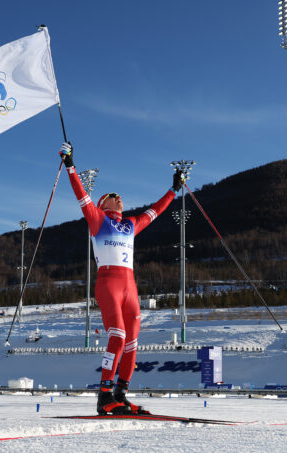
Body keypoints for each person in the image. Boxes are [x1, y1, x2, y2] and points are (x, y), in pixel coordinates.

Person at [60, 142, 183, 415]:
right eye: (113, 195)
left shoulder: (130, 225)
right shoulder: (97, 219)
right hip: (108, 284)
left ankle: (120, 394)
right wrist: (70, 165)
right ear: (103, 203)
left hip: (129, 286)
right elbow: (81, 196)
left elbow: (156, 211)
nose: (119, 197)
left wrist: (173, 189)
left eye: (120, 196)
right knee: (117, 336)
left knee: (132, 342)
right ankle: (104, 397)